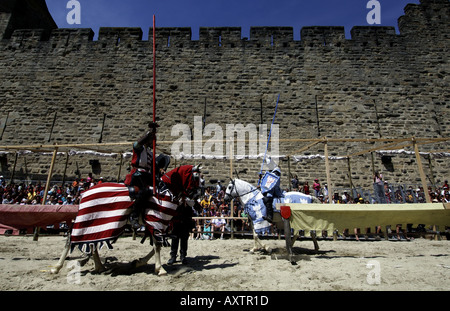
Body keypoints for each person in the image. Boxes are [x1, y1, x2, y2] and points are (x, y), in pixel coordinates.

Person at [124, 123, 159, 230]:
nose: (154, 142)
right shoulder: (140, 148)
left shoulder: (150, 153)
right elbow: (136, 144)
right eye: (152, 140)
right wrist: (149, 133)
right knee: (143, 191)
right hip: (138, 174)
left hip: (147, 175)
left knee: (160, 188)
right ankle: (134, 217)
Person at [167, 198, 195, 265]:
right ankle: (173, 256)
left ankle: (183, 256)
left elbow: (192, 203)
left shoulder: (188, 197)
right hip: (176, 222)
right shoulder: (177, 196)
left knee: (184, 240)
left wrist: (185, 199)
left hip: (185, 222)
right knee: (175, 240)